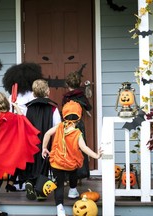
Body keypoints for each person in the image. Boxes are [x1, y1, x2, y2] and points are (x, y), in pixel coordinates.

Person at [0, 92, 41, 216]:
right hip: (5, 155)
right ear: (6, 103)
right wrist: (16, 108)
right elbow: (24, 122)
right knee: (1, 178)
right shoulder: (12, 117)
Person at [41, 101, 102, 216]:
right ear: (79, 118)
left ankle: (60, 209)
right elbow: (84, 148)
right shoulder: (77, 133)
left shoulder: (59, 126)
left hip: (57, 163)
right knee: (74, 172)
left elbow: (47, 134)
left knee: (58, 186)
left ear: (64, 115)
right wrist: (96, 155)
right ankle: (72, 190)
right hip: (70, 164)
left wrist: (44, 148)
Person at [2, 62, 43, 191]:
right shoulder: (32, 95)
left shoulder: (12, 95)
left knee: (15, 154)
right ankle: (24, 181)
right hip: (27, 127)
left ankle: (13, 181)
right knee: (27, 155)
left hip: (13, 129)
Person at [23, 79, 61, 200]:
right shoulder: (53, 109)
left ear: (33, 93)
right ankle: (40, 190)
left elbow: (23, 123)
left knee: (31, 163)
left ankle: (29, 182)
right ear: (48, 91)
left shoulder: (27, 108)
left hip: (30, 141)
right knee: (44, 162)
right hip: (46, 141)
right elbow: (58, 126)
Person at [62, 65, 93, 199]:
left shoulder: (66, 97)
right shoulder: (81, 96)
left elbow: (63, 110)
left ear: (67, 84)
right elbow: (89, 107)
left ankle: (68, 177)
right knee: (80, 149)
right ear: (79, 84)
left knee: (68, 150)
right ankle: (79, 176)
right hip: (78, 125)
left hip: (67, 126)